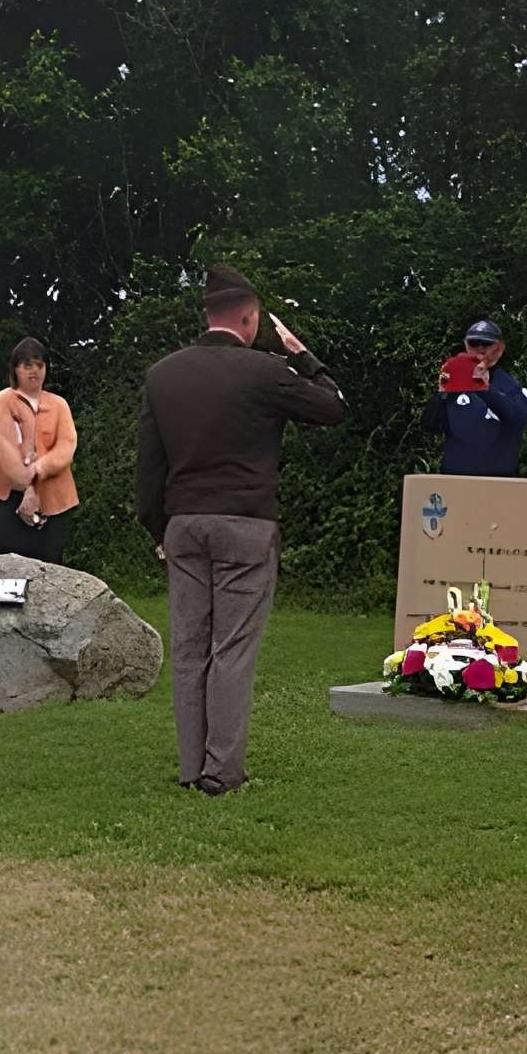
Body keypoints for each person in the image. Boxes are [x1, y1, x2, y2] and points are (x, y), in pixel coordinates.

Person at [136, 265, 347, 794]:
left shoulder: (163, 375)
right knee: (230, 650)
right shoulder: (264, 371)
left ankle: (191, 768)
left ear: (208, 315)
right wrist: (301, 355)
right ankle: (221, 772)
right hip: (246, 526)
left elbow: (148, 470)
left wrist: (159, 529)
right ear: (251, 318)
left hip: (183, 525)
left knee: (188, 651)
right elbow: (334, 407)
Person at [0, 338, 81, 562]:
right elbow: (2, 449)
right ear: (15, 368)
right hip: (11, 499)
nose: (34, 371)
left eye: (40, 365)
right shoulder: (4, 401)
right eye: (27, 365)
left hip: (55, 501)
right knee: (8, 573)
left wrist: (37, 474)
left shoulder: (59, 405)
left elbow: (65, 448)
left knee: (51, 571)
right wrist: (27, 489)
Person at [431, 317, 527, 477]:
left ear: (499, 349)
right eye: (474, 343)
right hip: (455, 485)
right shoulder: (454, 387)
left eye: (486, 344)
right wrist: (441, 393)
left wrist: (484, 389)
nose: (480, 349)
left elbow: (519, 420)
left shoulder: (512, 388)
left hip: (499, 485)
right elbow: (428, 425)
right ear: (466, 345)